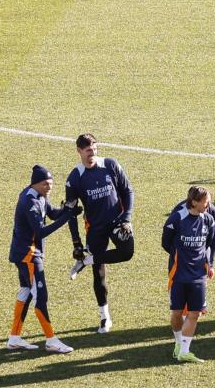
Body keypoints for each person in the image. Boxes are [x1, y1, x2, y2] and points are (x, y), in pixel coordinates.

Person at [63, 134, 133, 334]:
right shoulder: (75, 178)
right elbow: (71, 213)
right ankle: (105, 318)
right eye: (87, 151)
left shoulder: (110, 165)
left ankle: (87, 261)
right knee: (99, 273)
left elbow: (128, 191)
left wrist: (126, 217)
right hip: (95, 228)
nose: (91, 153)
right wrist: (76, 242)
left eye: (94, 149)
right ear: (79, 151)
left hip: (118, 223)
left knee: (127, 252)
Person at [8, 164, 79, 353]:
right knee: (41, 296)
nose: (50, 187)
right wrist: (67, 219)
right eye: (46, 184)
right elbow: (40, 232)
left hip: (25, 253)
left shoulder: (39, 196)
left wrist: (66, 210)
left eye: (51, 183)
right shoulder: (29, 202)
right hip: (28, 255)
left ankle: (14, 338)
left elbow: (53, 213)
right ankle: (51, 340)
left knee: (26, 292)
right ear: (36, 183)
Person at [162, 186, 215, 363]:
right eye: (205, 202)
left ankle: (185, 351)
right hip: (178, 273)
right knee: (177, 312)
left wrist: (210, 264)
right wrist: (180, 256)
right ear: (194, 202)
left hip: (198, 275)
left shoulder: (208, 219)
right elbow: (166, 243)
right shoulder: (177, 218)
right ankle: (179, 343)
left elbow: (211, 242)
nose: (208, 205)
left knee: (195, 313)